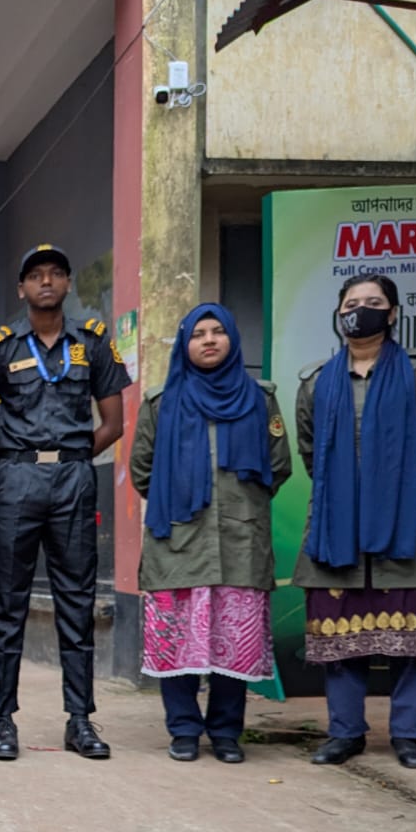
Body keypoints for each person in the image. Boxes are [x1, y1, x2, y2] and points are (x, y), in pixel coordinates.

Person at [293, 272, 416, 770]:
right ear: (338, 314)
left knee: (413, 638)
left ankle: (409, 735)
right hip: (337, 526)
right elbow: (310, 452)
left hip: (407, 521)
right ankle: (345, 733)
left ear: (392, 313)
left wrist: (400, 490)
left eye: (372, 302)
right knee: (340, 638)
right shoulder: (317, 381)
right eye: (351, 303)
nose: (359, 311)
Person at [0, 244, 130, 761]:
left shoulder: (93, 342)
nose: (46, 281)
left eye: (56, 273)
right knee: (7, 603)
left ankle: (80, 719)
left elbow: (113, 423)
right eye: (36, 275)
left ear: (67, 283)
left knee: (76, 602)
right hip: (16, 479)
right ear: (21, 288)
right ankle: (3, 720)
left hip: (72, 481)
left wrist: (72, 458)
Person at [130, 303, 291, 762]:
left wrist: (241, 505)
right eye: (198, 333)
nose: (208, 340)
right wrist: (180, 497)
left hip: (241, 541)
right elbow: (142, 469)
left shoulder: (259, 399)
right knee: (179, 639)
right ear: (185, 344)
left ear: (232, 339)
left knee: (234, 641)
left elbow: (278, 464)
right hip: (177, 541)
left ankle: (225, 733)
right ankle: (183, 730)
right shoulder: (161, 403)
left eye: (217, 331)